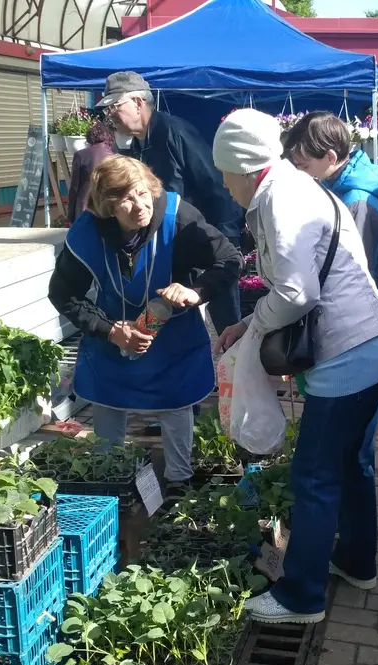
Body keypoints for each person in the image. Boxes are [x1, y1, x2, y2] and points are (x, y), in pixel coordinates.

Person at [211, 109, 378, 624]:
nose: (225, 187)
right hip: (373, 346)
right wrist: (253, 317)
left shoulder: (281, 199)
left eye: (225, 175)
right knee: (349, 467)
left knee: (314, 475)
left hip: (349, 360)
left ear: (245, 169)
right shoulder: (296, 188)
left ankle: (301, 597)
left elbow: (297, 292)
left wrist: (253, 329)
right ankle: (357, 562)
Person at [47, 155, 241, 497]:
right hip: (112, 327)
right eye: (125, 200)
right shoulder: (87, 233)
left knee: (176, 400)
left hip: (173, 331)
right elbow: (62, 294)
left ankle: (180, 481)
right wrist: (108, 330)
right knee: (107, 400)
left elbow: (229, 259)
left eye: (141, 193)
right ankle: (112, 478)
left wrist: (195, 291)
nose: (139, 206)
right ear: (107, 207)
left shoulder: (178, 217)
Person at [96, 71, 244, 334]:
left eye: (115, 107)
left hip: (204, 234)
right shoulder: (135, 144)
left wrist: (225, 238)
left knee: (225, 315)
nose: (110, 116)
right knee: (172, 310)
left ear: (139, 103)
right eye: (107, 110)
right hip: (168, 241)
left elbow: (216, 185)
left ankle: (233, 365)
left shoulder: (175, 132)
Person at [283, 111, 378, 300]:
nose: (301, 172)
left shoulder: (357, 203)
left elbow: (353, 273)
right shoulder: (333, 186)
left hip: (356, 311)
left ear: (331, 157)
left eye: (305, 166)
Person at [67, 120, 115, 225]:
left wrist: (70, 214)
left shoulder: (81, 155)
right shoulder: (114, 157)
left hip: (83, 205)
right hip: (105, 206)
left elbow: (74, 187)